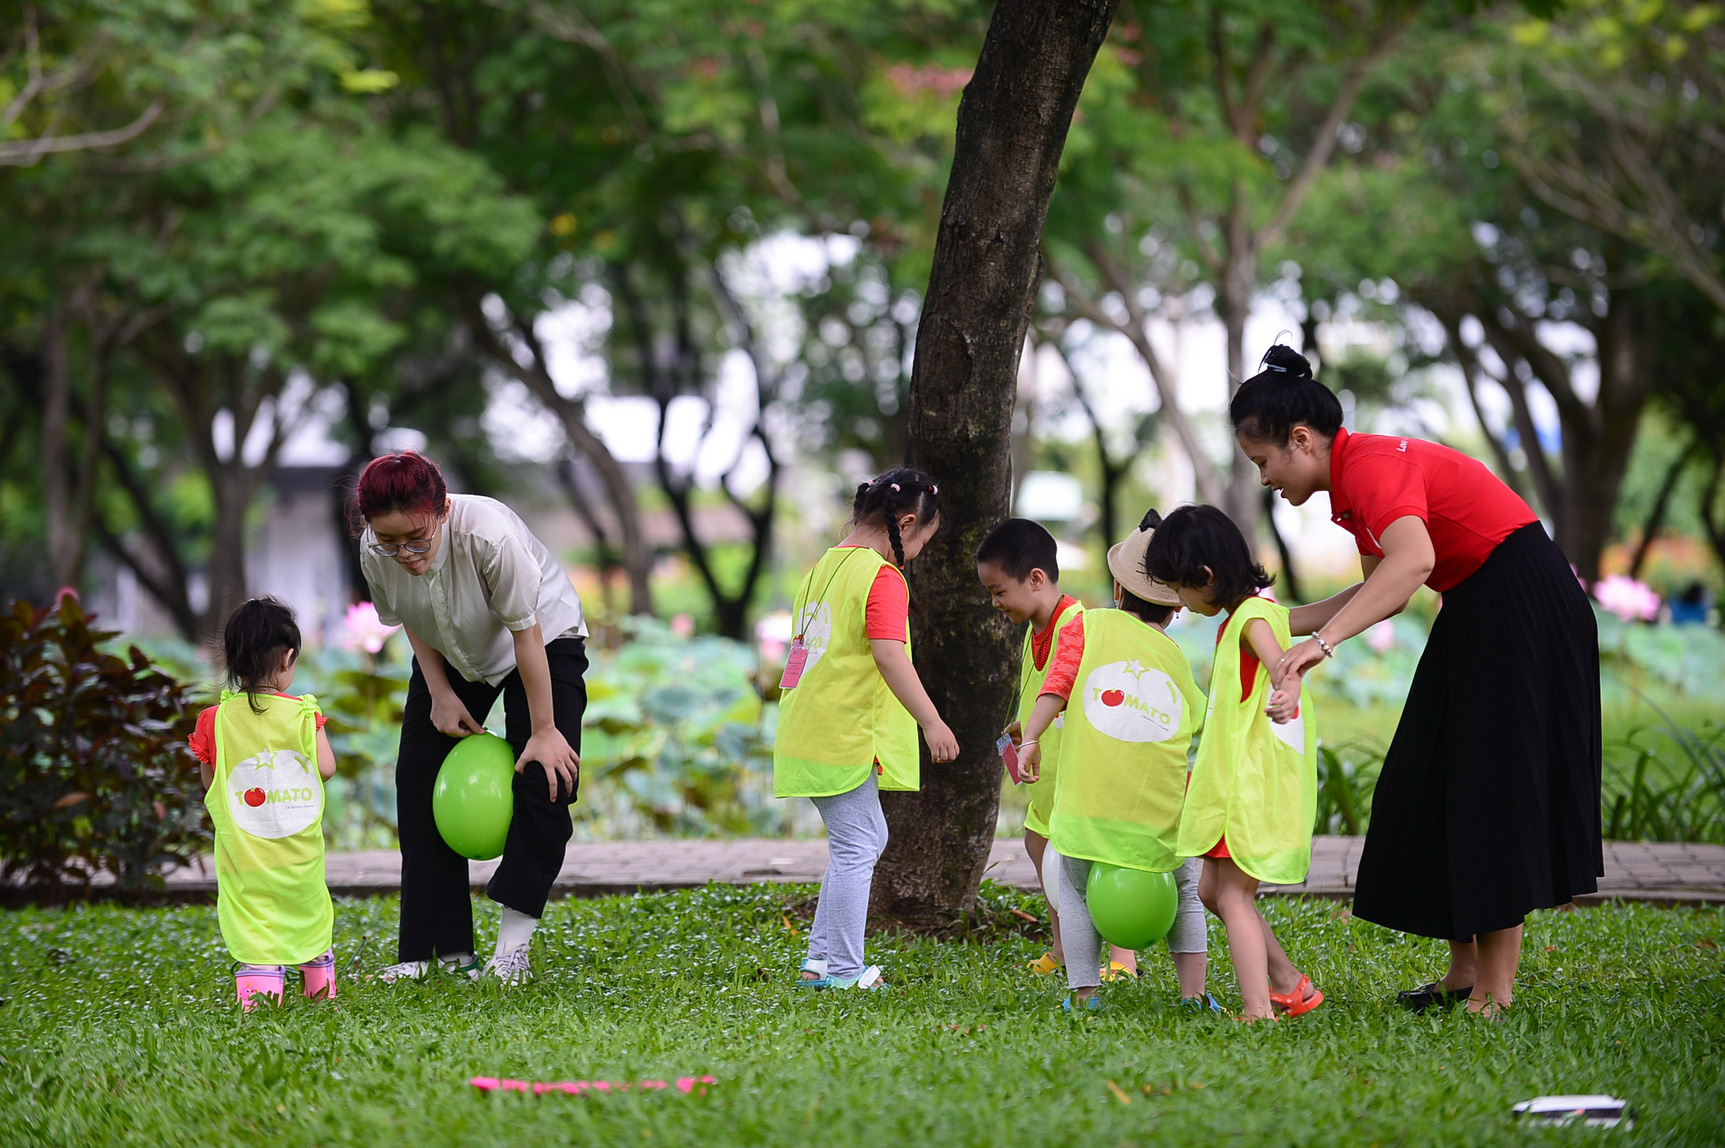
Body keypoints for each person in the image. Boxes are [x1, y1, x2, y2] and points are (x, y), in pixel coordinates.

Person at [1235, 344, 1601, 1016]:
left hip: (1518, 602)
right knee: (1425, 777)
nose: (1262, 479)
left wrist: (1321, 643)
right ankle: (1462, 973)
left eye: (1262, 462)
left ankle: (1493, 991)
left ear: (1300, 439)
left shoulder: (1371, 465)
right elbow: (1380, 583)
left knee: (1487, 788)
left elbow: (1411, 566)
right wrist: (1272, 620)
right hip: (1476, 604)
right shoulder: (1349, 486)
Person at [353, 451, 589, 985]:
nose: (404, 554)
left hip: (540, 641)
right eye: (390, 542)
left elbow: (526, 632)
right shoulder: (375, 550)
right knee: (417, 777)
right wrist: (437, 691)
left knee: (547, 779)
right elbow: (410, 616)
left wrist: (545, 732)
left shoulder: (489, 534)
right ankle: (437, 951)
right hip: (451, 652)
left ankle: (511, 952)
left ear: (441, 510)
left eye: (416, 539)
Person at [1016, 510, 1216, 1013]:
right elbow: (1193, 719)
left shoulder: (1085, 626)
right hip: (1159, 815)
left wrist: (1031, 738)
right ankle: (1194, 997)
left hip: (1087, 809)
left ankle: (1084, 994)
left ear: (1118, 590)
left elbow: (1055, 684)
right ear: (1174, 609)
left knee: (1077, 890)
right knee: (1186, 890)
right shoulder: (1173, 656)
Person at [775, 468, 959, 990]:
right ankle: (846, 972)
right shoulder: (882, 577)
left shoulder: (823, 569)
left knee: (862, 838)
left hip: (810, 730)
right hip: (842, 733)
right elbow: (889, 654)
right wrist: (932, 721)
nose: (919, 550)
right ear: (905, 523)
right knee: (859, 844)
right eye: (923, 538)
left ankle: (818, 961)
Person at [1145, 504, 1322, 1022]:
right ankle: (1290, 984)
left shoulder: (1251, 618)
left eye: (1180, 589)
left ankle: (1258, 1010)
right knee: (1212, 891)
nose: (1178, 602)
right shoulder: (1248, 614)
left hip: (1246, 785)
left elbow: (1281, 664)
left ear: (1204, 576)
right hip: (1231, 782)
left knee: (1234, 896)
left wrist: (1288, 689)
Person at [976, 519, 1136, 980]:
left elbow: (1074, 687)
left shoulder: (1077, 625)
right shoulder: (1035, 627)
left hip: (1083, 778)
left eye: (999, 591)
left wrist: (1033, 739)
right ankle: (1064, 948)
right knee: (1038, 844)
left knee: (1102, 861)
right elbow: (1043, 691)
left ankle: (1123, 959)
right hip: (1051, 782)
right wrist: (1023, 726)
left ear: (1036, 579)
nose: (995, 603)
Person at [189, 597, 338, 1011]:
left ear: (234, 661)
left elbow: (210, 782)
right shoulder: (304, 714)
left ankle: (258, 998)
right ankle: (319, 990)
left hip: (244, 854)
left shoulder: (213, 720)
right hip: (297, 851)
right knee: (308, 913)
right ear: (289, 656)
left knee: (253, 920)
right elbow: (325, 769)